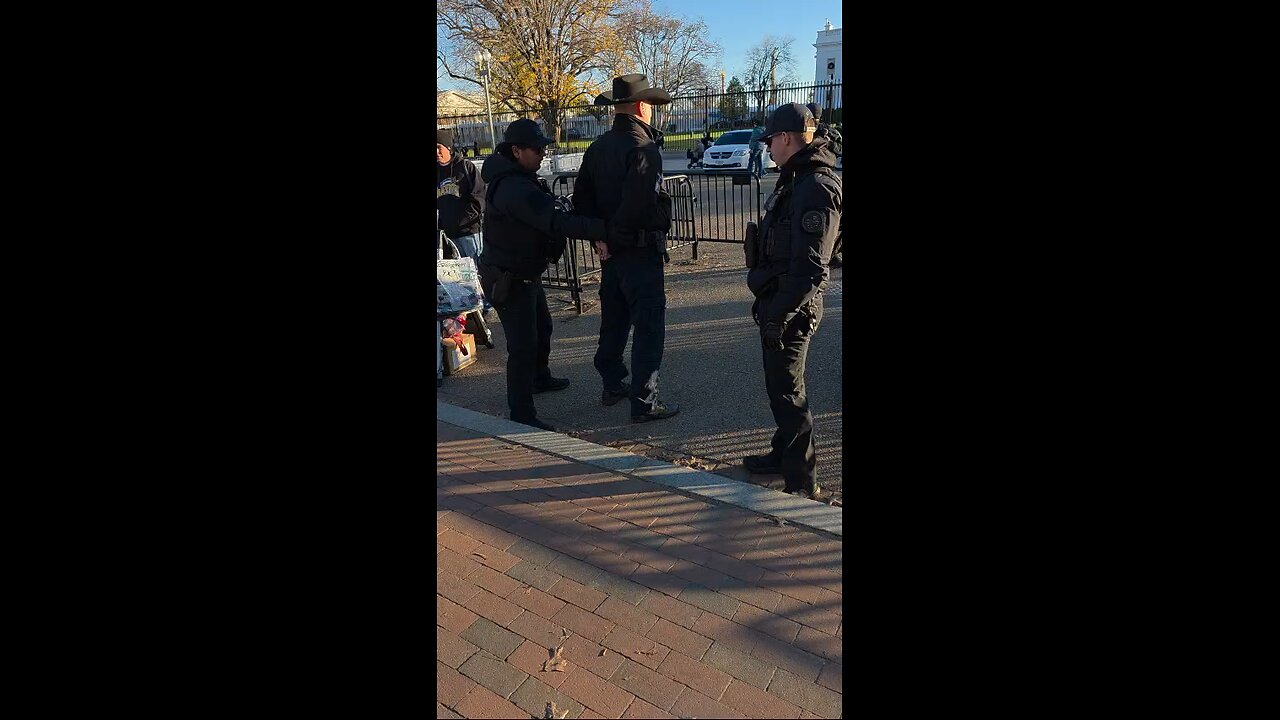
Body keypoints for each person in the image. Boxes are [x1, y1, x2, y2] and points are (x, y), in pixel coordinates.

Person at [476, 119, 610, 431]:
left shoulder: (520, 178)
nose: (542, 153)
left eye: (544, 147)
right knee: (522, 346)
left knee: (542, 328)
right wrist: (603, 230)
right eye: (537, 148)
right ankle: (521, 413)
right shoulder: (513, 187)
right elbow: (553, 219)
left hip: (524, 274)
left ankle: (539, 377)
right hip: (508, 279)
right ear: (516, 150)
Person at [742, 103, 842, 500]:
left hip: (792, 308)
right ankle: (781, 454)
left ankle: (802, 480)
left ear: (786, 138)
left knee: (788, 391)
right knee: (778, 386)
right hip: (779, 301)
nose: (767, 147)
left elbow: (812, 269)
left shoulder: (816, 186)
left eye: (770, 140)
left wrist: (779, 317)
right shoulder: (797, 178)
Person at [574, 74, 679, 423]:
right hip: (638, 251)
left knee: (614, 321)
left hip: (611, 254)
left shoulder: (598, 147)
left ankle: (613, 381)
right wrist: (613, 240)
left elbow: (582, 203)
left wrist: (601, 240)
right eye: (650, 105)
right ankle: (644, 401)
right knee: (648, 325)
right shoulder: (643, 150)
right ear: (642, 107)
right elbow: (637, 207)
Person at [437, 128, 492, 313]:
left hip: (469, 231)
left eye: (439, 148)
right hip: (446, 234)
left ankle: (485, 303)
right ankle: (467, 305)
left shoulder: (465, 167)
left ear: (448, 148)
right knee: (456, 274)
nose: (436, 153)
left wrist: (464, 220)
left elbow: (479, 198)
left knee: (476, 268)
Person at [807, 103, 844, 268]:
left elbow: (837, 148)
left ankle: (830, 254)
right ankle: (827, 254)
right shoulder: (812, 130)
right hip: (819, 176)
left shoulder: (823, 131)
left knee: (829, 222)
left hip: (823, 175)